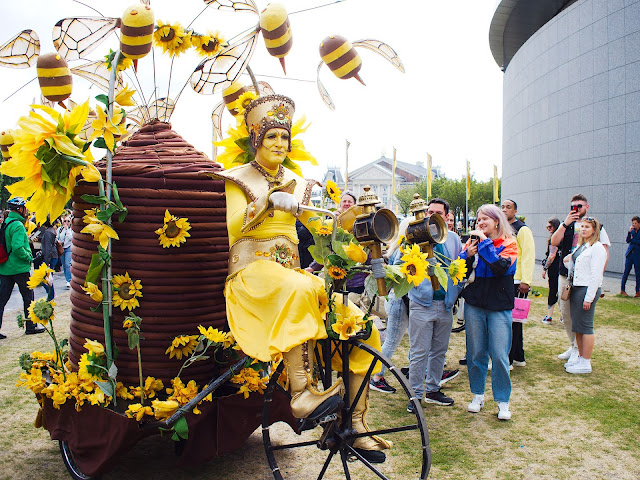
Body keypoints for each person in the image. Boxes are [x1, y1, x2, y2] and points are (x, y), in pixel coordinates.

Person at [211, 94, 390, 462]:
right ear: (255, 140)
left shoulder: (299, 182)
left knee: (357, 322)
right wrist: (269, 201)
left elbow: (323, 229)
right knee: (300, 286)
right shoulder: (236, 179)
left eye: (284, 138)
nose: (279, 144)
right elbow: (232, 227)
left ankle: (355, 424)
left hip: (290, 276)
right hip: (251, 275)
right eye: (271, 137)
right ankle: (301, 393)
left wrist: (358, 237)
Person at [402, 198, 463, 411]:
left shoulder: (454, 239)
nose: (432, 215)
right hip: (421, 304)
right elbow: (400, 265)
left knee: (439, 350)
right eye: (430, 211)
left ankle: (434, 389)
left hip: (445, 305)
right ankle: (415, 395)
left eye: (438, 212)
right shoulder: (414, 236)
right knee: (419, 351)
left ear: (446, 217)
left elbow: (459, 266)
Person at [459, 204, 517, 421]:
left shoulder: (509, 244)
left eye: (485, 219)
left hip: (499, 305)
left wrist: (483, 243)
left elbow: (501, 267)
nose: (480, 223)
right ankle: (478, 395)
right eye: (478, 219)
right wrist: (467, 255)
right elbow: (460, 268)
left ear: (496, 221)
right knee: (475, 353)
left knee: (500, 355)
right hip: (475, 303)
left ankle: (503, 400)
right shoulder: (473, 242)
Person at [551, 194, 610, 364]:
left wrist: (598, 282)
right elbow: (554, 242)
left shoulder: (597, 227)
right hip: (567, 277)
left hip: (585, 280)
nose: (576, 209)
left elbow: (603, 255)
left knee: (582, 320)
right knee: (566, 313)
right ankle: (573, 346)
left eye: (580, 206)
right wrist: (565, 223)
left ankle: (581, 353)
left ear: (587, 207)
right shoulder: (567, 225)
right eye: (573, 206)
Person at [562, 217, 606, 374]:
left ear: (594, 230)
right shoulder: (582, 246)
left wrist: (589, 297)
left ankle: (586, 362)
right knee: (578, 326)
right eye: (582, 226)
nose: (583, 229)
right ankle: (580, 357)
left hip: (586, 288)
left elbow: (596, 275)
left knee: (586, 326)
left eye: (587, 227)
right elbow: (571, 262)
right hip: (576, 287)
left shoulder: (597, 247)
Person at [0, 197, 45, 338]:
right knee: (28, 298)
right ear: (20, 209)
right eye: (25, 208)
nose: (26, 211)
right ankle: (31, 326)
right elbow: (18, 248)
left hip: (6, 267)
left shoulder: (7, 222)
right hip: (19, 268)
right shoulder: (18, 225)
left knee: (2, 300)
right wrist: (29, 257)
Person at [501, 199, 534, 368]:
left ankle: (510, 358)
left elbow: (528, 255)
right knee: (513, 320)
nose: (505, 210)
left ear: (515, 210)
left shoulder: (522, 229)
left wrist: (526, 281)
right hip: (507, 279)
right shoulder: (503, 228)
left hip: (517, 281)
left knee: (514, 320)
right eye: (503, 207)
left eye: (509, 207)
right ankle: (518, 356)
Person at [541, 218, 561, 324]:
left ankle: (549, 316)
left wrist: (545, 268)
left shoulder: (555, 238)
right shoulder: (562, 237)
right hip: (561, 268)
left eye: (550, 226)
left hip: (554, 269)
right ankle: (563, 316)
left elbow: (551, 256)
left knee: (553, 291)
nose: (548, 229)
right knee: (561, 292)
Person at [620, 216, 640, 297]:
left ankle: (637, 291)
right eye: (633, 223)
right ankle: (622, 289)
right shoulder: (632, 231)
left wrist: (632, 240)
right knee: (626, 272)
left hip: (637, 255)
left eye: (635, 223)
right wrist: (629, 232)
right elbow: (628, 240)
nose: (634, 225)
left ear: (639, 223)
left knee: (638, 273)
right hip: (630, 254)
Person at [40, 219, 58, 301]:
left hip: (50, 257)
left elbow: (48, 248)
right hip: (53, 256)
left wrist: (46, 262)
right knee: (48, 278)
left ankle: (51, 296)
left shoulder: (47, 232)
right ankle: (51, 295)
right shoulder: (52, 231)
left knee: (45, 279)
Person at [57, 216, 73, 288]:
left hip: (68, 247)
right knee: (64, 264)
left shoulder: (71, 230)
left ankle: (69, 280)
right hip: (62, 248)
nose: (66, 223)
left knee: (67, 263)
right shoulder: (60, 229)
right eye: (65, 221)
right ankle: (67, 278)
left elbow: (71, 238)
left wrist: (67, 230)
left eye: (68, 221)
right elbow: (57, 237)